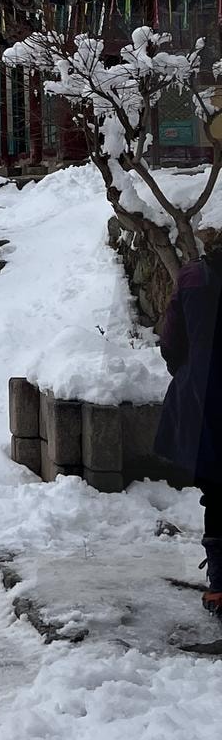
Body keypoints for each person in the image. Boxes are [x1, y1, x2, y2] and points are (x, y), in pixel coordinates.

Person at [157, 251, 222, 619]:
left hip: (208, 401)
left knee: (218, 493)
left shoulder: (195, 277)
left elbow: (171, 340)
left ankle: (219, 585)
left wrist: (188, 370)